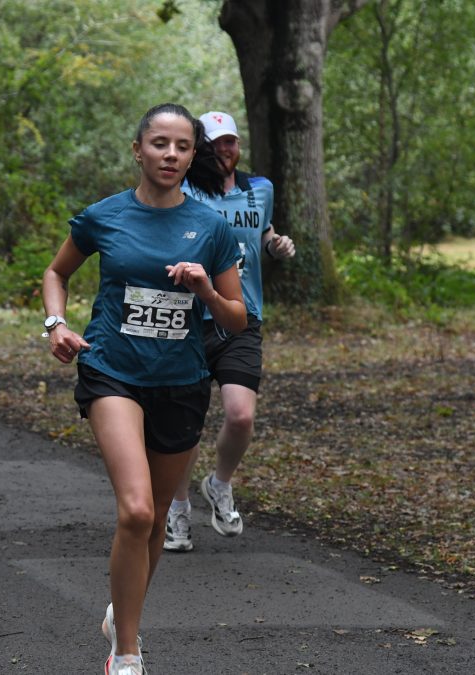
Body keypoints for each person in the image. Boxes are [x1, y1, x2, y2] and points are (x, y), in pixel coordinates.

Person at [42, 103, 247, 675]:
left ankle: (122, 613)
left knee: (156, 518)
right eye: (160, 144)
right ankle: (126, 654)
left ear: (192, 155)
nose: (171, 155)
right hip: (112, 370)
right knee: (135, 511)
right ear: (138, 149)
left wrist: (206, 290)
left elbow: (236, 320)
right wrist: (56, 324)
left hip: (180, 382)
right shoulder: (105, 216)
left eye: (182, 147)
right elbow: (57, 272)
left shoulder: (212, 228)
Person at [163, 111, 296, 553]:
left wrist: (275, 245)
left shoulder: (260, 190)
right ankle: (177, 510)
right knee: (186, 427)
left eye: (231, 142)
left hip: (242, 315)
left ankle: (219, 484)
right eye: (216, 143)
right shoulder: (183, 190)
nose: (225, 150)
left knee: (241, 416)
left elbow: (261, 235)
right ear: (202, 148)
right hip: (190, 319)